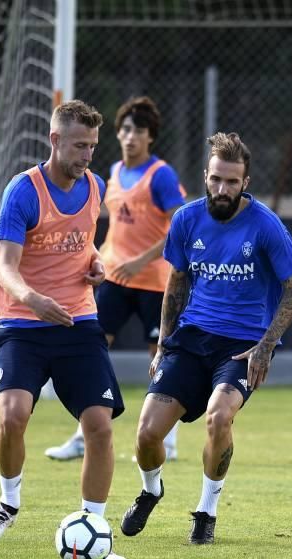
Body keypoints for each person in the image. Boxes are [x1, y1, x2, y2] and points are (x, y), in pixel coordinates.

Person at [119, 132, 292, 544]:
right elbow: (177, 282)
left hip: (240, 347)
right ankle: (152, 491)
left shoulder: (265, 226)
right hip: (190, 339)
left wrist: (266, 345)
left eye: (232, 182)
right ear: (205, 176)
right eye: (217, 179)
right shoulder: (186, 219)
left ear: (246, 183)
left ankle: (206, 512)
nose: (222, 189)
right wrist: (165, 341)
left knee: (219, 417)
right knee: (148, 432)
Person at [0, 100, 126, 559]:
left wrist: (97, 263)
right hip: (24, 322)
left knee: (99, 426)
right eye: (79, 145)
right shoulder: (23, 190)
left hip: (79, 320)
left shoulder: (96, 186)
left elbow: (85, 245)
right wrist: (32, 299)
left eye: (93, 147)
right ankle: (8, 501)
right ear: (55, 140)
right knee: (12, 415)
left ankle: (92, 525)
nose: (87, 155)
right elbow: (5, 266)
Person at [44, 96, 185, 462]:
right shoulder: (113, 172)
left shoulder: (162, 175)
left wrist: (142, 260)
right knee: (91, 346)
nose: (129, 136)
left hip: (154, 281)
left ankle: (165, 439)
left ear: (150, 137)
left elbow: (181, 227)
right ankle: (80, 436)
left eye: (138, 130)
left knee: (161, 355)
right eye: (124, 129)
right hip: (115, 278)